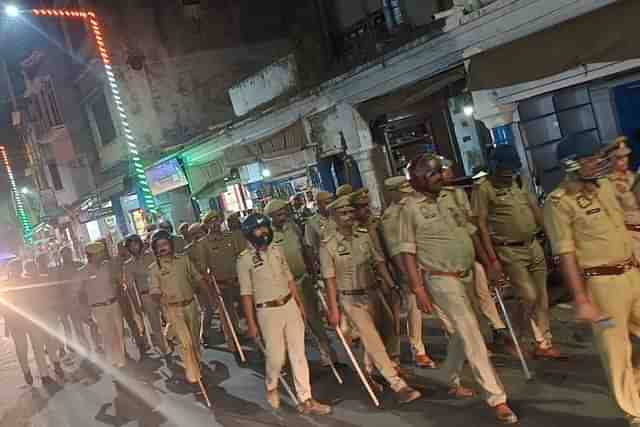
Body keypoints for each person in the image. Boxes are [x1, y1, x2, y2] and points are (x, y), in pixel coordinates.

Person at [399, 153, 518, 424]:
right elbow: (407, 252)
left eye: (439, 171)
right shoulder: (409, 209)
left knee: (467, 331)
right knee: (472, 333)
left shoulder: (453, 197)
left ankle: (447, 374)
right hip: (440, 279)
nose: (440, 176)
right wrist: (418, 290)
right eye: (432, 174)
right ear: (417, 180)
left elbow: (472, 231)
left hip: (466, 273)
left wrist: (489, 262)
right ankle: (497, 398)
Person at [544, 135, 640, 425]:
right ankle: (634, 412)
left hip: (632, 273)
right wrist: (582, 300)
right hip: (602, 286)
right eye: (590, 158)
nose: (598, 162)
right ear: (570, 164)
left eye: (598, 157)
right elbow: (567, 255)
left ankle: (635, 385)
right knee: (616, 350)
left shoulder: (607, 185)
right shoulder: (559, 203)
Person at [321, 195, 421, 402]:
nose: (349, 216)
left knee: (390, 330)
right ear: (333, 217)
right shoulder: (328, 245)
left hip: (373, 292)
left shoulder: (364, 235)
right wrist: (334, 309)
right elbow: (329, 280)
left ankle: (375, 369)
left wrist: (391, 284)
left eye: (350, 212)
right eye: (343, 213)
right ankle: (397, 384)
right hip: (350, 299)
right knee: (371, 338)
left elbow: (379, 262)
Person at [472, 144, 564, 360]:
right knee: (528, 296)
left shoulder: (518, 181)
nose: (508, 176)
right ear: (494, 168)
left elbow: (535, 209)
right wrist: (491, 259)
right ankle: (514, 336)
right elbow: (481, 225)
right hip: (508, 250)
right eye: (504, 172)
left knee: (541, 297)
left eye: (511, 171)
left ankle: (543, 343)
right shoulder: (483, 189)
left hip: (533, 245)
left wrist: (553, 239)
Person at [238, 213, 331, 415]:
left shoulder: (277, 250)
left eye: (265, 227)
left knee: (298, 353)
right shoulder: (244, 261)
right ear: (249, 233)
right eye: (259, 229)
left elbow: (289, 278)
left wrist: (299, 303)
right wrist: (251, 323)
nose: (264, 232)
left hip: (288, 304)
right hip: (267, 311)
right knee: (276, 357)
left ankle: (306, 399)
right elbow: (246, 294)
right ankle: (271, 384)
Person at [440, 160, 517, 355]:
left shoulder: (457, 194)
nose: (449, 172)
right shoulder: (426, 203)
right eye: (444, 170)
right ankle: (470, 343)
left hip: (467, 253)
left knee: (483, 288)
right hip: (446, 262)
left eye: (449, 169)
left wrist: (487, 259)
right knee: (464, 303)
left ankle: (498, 327)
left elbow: (470, 226)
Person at [264, 199, 336, 367]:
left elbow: (305, 250)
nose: (284, 215)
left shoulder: (293, 227)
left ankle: (326, 350)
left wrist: (313, 272)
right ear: (271, 217)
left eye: (284, 211)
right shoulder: (267, 235)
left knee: (314, 317)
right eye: (279, 213)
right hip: (284, 287)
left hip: (303, 280)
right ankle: (295, 359)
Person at [381, 176, 436, 368]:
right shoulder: (390, 217)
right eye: (402, 192)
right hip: (410, 267)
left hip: (430, 261)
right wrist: (407, 274)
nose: (407, 195)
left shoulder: (418, 204)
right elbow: (395, 249)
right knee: (414, 309)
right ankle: (418, 349)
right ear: (392, 193)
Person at [149, 229, 209, 385]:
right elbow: (154, 292)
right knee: (185, 343)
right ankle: (193, 375)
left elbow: (197, 278)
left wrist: (209, 295)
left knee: (195, 341)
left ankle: (196, 363)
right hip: (173, 310)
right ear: (154, 249)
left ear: (171, 244)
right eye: (158, 245)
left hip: (190, 304)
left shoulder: (183, 260)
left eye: (165, 244)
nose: (162, 247)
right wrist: (159, 297)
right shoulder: (154, 269)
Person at [350, 188, 401, 365]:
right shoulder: (351, 232)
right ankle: (375, 361)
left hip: (385, 274)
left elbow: (388, 250)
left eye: (367, 205)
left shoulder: (377, 224)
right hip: (366, 281)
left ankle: (394, 357)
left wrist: (393, 280)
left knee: (392, 321)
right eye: (361, 206)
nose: (366, 209)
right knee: (372, 324)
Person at [4, 259, 56, 385]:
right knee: (22, 349)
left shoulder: (27, 281)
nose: (18, 270)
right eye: (15, 268)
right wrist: (7, 324)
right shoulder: (4, 285)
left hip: (31, 319)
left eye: (19, 267)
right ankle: (26, 371)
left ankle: (44, 375)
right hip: (15, 323)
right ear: (10, 270)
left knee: (38, 347)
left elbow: (37, 299)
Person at [78, 241, 126, 368]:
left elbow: (117, 280)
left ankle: (122, 360)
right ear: (92, 255)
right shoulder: (83, 271)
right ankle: (113, 362)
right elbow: (79, 293)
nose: (102, 255)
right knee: (107, 334)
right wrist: (84, 311)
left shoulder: (108, 266)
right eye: (100, 253)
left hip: (113, 303)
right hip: (98, 308)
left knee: (119, 332)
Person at [124, 234, 168, 355]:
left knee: (171, 320)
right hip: (146, 296)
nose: (134, 247)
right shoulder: (128, 265)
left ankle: (172, 341)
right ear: (128, 248)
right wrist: (136, 306)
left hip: (161, 291)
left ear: (140, 243)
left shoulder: (151, 255)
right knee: (155, 325)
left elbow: (163, 271)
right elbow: (130, 287)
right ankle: (165, 350)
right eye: (131, 246)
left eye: (136, 244)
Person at [33, 254, 65, 378]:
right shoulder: (42, 277)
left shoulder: (47, 275)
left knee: (53, 332)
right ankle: (55, 358)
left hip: (48, 311)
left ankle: (59, 351)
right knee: (50, 335)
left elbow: (54, 290)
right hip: (42, 313)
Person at [56, 246, 91, 356]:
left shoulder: (79, 265)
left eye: (68, 253)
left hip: (83, 300)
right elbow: (60, 287)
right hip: (70, 302)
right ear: (61, 256)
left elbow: (87, 280)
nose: (67, 256)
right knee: (78, 327)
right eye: (64, 254)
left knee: (91, 323)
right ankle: (86, 350)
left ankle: (97, 345)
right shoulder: (60, 270)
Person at [608, 136, 640, 258]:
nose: (624, 160)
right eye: (619, 158)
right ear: (610, 159)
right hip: (632, 237)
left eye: (626, 156)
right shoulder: (608, 185)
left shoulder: (633, 176)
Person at [114, 240, 146, 359]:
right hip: (122, 297)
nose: (123, 249)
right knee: (128, 322)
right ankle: (134, 346)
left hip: (135, 293)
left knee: (137, 319)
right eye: (120, 248)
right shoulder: (115, 262)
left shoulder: (132, 259)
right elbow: (116, 280)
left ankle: (142, 342)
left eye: (124, 247)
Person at [304, 191, 337, 258]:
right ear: (318, 204)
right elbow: (310, 245)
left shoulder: (336, 217)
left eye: (331, 202)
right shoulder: (311, 222)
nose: (330, 205)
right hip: (325, 258)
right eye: (327, 203)